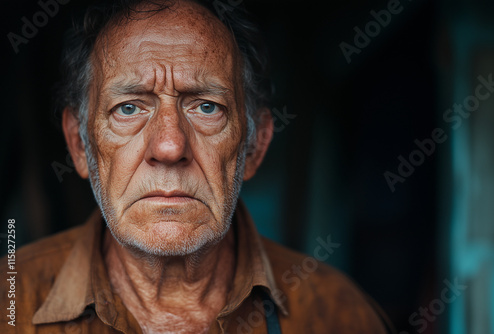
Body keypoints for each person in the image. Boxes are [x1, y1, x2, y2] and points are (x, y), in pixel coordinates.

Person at [1, 0, 395, 333]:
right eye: (129, 108)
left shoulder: (339, 314)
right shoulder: (8, 304)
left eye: (207, 107)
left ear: (255, 146)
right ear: (79, 145)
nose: (170, 146)